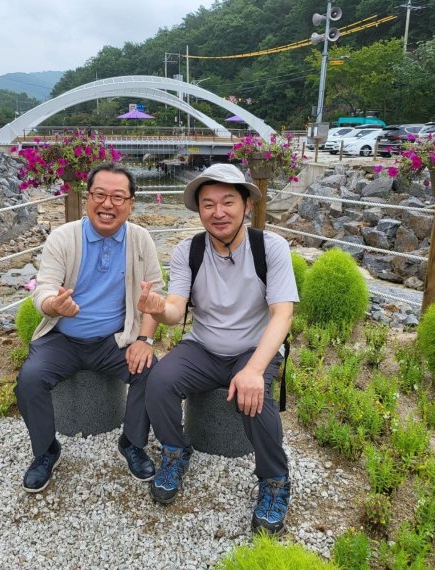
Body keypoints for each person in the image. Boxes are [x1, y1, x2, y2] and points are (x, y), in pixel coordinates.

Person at [138, 163, 298, 535]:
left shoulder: (270, 247)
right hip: (204, 346)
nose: (218, 212)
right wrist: (159, 309)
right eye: (208, 204)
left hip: (254, 346)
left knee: (255, 400)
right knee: (158, 380)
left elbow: (282, 314)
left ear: (246, 205)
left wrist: (255, 369)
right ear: (199, 211)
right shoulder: (188, 251)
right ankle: (175, 451)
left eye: (228, 201)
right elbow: (177, 310)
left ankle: (275, 480)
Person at [16, 162, 164, 493]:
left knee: (152, 371)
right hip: (63, 339)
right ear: (87, 198)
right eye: (99, 194)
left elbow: (154, 298)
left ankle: (132, 443)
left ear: (131, 203)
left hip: (115, 340)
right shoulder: (63, 237)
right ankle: (45, 451)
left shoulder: (140, 240)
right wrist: (54, 304)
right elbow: (44, 288)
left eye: (117, 197)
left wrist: (144, 338)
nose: (107, 204)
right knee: (29, 379)